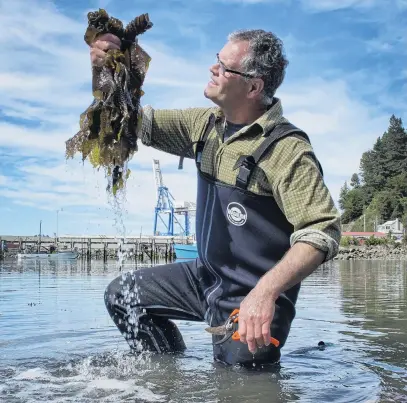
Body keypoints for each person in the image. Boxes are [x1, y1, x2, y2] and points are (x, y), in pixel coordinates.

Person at [90, 28, 341, 366]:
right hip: (204, 277)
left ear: (253, 86)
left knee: (237, 385)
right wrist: (107, 70)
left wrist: (264, 294)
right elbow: (126, 121)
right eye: (216, 61)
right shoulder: (203, 125)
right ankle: (165, 378)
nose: (213, 69)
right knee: (122, 295)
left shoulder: (288, 151)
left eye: (225, 67)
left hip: (254, 297)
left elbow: (321, 231)